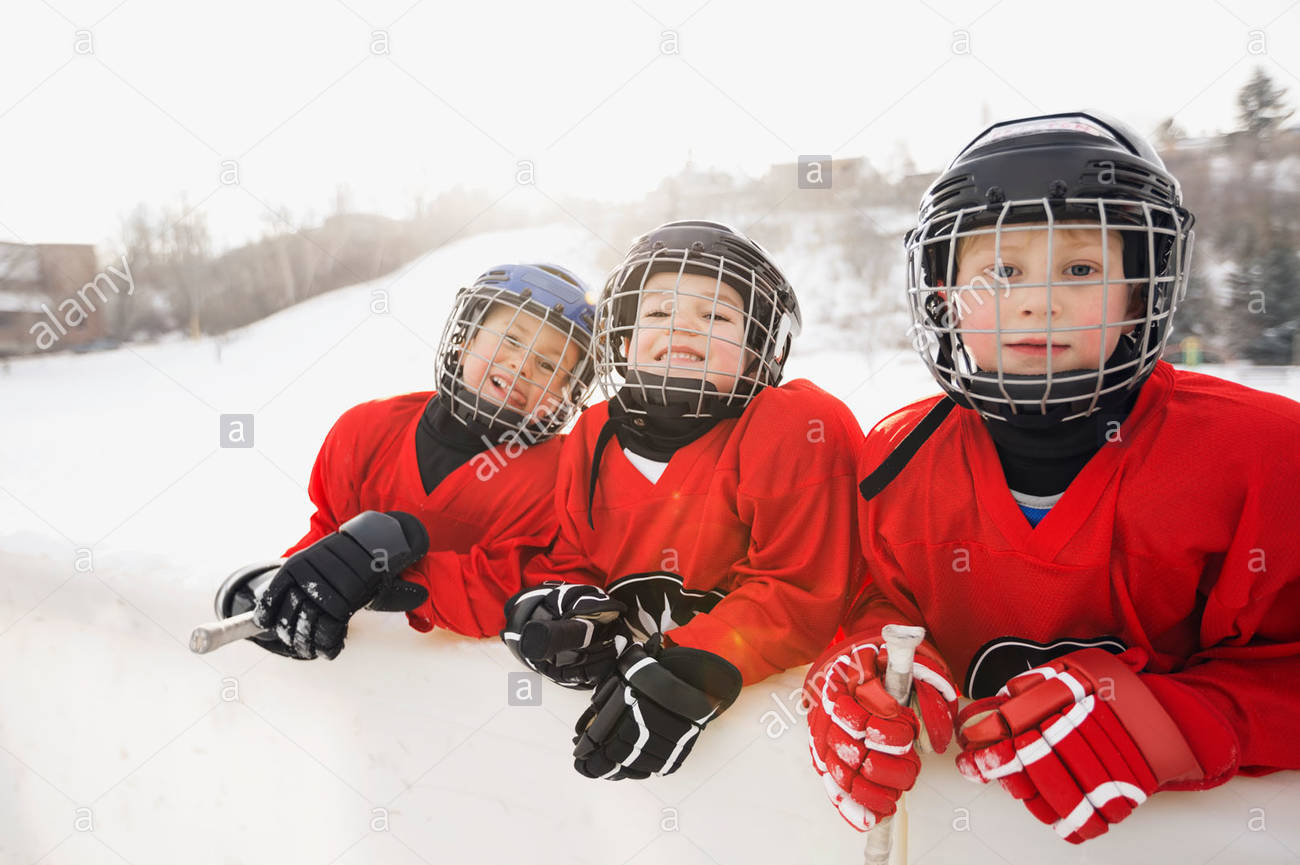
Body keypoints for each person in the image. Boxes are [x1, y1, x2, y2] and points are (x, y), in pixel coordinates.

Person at [804, 112, 1300, 843]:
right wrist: (873, 664)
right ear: (945, 294)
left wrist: (1179, 722)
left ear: (1142, 292)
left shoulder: (1263, 453)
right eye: (1000, 271)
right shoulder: (895, 456)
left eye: (1080, 268)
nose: (1038, 300)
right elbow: (882, 595)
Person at [485, 220, 867, 781]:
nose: (684, 326)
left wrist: (691, 669)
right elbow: (572, 557)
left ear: (759, 351)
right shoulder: (592, 437)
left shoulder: (793, 425)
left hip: (769, 767)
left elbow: (800, 592)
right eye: (659, 314)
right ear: (622, 338)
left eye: (715, 316)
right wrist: (561, 609)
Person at [213, 263, 597, 660]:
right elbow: (324, 538)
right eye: (510, 339)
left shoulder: (566, 476)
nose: (522, 366)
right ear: (465, 339)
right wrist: (274, 588)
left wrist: (388, 579)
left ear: (569, 390)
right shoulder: (366, 429)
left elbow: (523, 591)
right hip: (359, 705)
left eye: (549, 364)